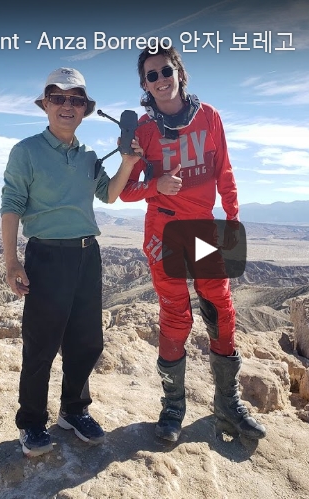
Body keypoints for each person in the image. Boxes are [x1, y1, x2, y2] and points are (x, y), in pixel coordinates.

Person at [120, 44, 266, 442]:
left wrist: (231, 219)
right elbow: (125, 191)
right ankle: (173, 408)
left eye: (165, 71)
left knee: (220, 310)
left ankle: (227, 404)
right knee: (175, 315)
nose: (160, 80)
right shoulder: (143, 131)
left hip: (204, 230)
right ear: (145, 85)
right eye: (151, 75)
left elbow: (225, 171)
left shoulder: (209, 117)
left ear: (179, 73)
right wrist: (156, 185)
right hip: (163, 232)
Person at [1, 67, 142, 457]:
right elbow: (11, 204)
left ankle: (74, 411)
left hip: (87, 254)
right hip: (46, 255)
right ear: (46, 104)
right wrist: (11, 261)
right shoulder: (26, 151)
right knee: (41, 344)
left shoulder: (89, 155)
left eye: (75, 99)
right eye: (58, 98)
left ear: (85, 109)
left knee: (86, 340)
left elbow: (108, 195)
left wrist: (128, 163)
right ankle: (31, 422)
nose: (67, 105)